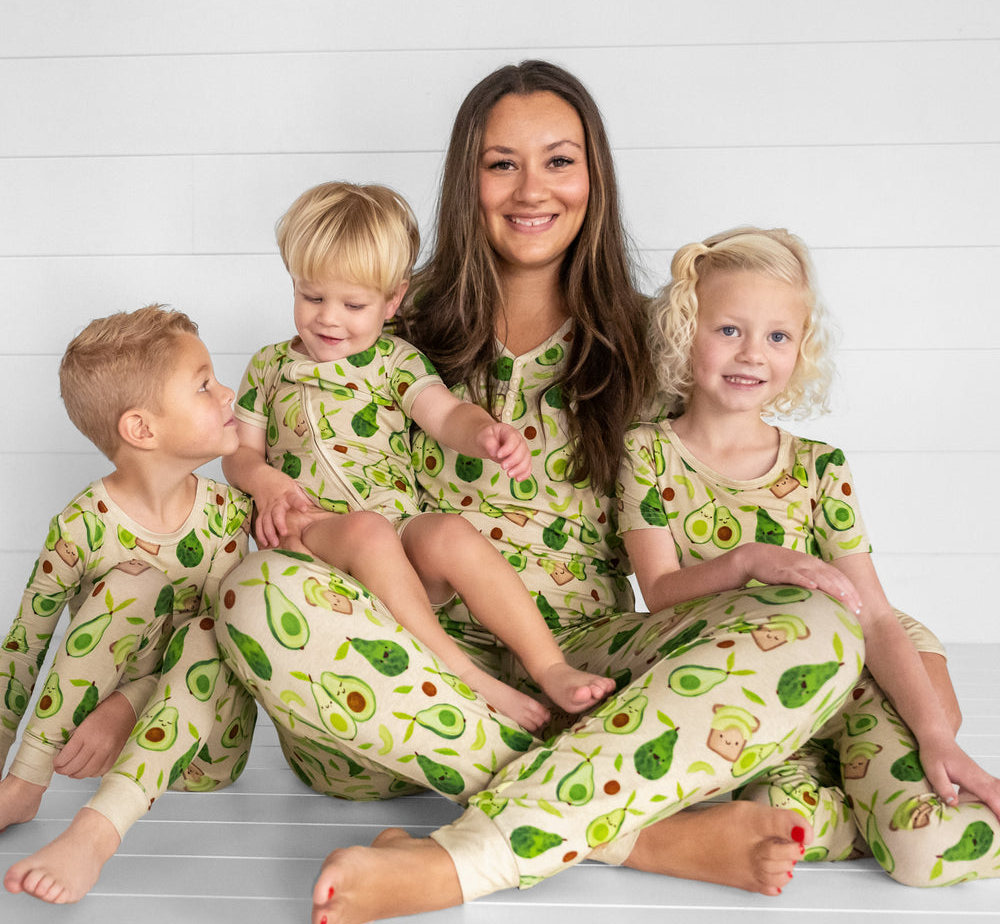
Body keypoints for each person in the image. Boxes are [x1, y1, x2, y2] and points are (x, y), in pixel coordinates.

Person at [0, 61, 862, 911]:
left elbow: (741, 514)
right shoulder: (383, 319)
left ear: (593, 175)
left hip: (587, 669)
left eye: (559, 160)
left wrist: (888, 650)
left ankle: (461, 857)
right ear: (467, 179)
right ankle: (629, 827)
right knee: (255, 589)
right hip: (386, 683)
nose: (532, 188)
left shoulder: (652, 337)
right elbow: (240, 480)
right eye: (501, 163)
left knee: (820, 628)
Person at [616, 226, 1000, 887]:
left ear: (800, 350)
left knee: (934, 849)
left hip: (859, 675)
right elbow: (660, 591)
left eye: (777, 336)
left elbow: (877, 620)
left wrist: (936, 738)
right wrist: (747, 560)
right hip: (759, 690)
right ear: (687, 331)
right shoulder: (647, 453)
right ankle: (847, 801)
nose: (752, 354)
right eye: (729, 330)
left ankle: (882, 794)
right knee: (771, 815)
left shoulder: (822, 467)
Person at [222, 180, 615, 727]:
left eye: (353, 304)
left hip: (398, 533)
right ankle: (468, 678)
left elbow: (446, 414)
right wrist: (264, 483)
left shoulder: (394, 362)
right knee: (366, 531)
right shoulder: (269, 367)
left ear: (393, 301)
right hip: (319, 537)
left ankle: (550, 665)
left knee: (448, 531)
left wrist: (485, 433)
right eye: (311, 297)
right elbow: (239, 455)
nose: (328, 319)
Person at [0, 305, 254, 853]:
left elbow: (214, 644)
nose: (228, 393)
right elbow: (23, 647)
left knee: (220, 619)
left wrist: (126, 707)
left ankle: (63, 798)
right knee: (130, 583)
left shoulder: (229, 513)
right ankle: (24, 783)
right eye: (204, 385)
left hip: (204, 752)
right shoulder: (80, 525)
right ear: (141, 428)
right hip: (94, 754)